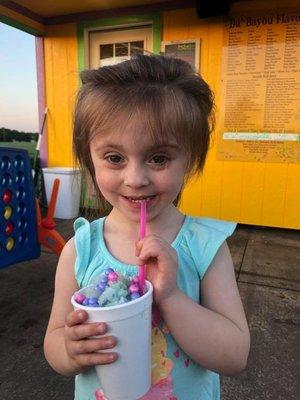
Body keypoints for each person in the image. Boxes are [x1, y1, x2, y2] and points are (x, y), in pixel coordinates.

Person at [44, 54, 250, 400]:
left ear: (191, 158)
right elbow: (54, 340)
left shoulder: (205, 247)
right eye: (114, 158)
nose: (136, 179)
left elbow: (235, 355)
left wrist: (170, 296)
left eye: (158, 158)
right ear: (89, 158)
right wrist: (69, 352)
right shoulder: (81, 249)